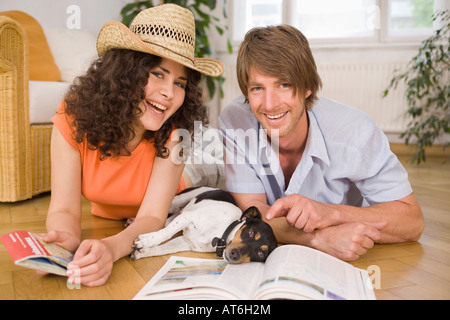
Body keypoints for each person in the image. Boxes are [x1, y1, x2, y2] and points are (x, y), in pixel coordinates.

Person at [43, 4, 224, 287]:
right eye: (158, 73)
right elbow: (64, 210)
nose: (168, 93)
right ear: (126, 73)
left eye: (180, 82)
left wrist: (112, 248)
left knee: (226, 169)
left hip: (192, 179)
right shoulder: (73, 117)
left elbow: (152, 216)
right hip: (128, 210)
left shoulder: (176, 133)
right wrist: (63, 242)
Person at [219, 25, 424, 262]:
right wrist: (318, 239)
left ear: (307, 87)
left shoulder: (354, 131)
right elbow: (254, 212)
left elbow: (413, 221)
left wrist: (331, 214)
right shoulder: (235, 120)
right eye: (257, 88)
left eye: (284, 84)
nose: (270, 104)